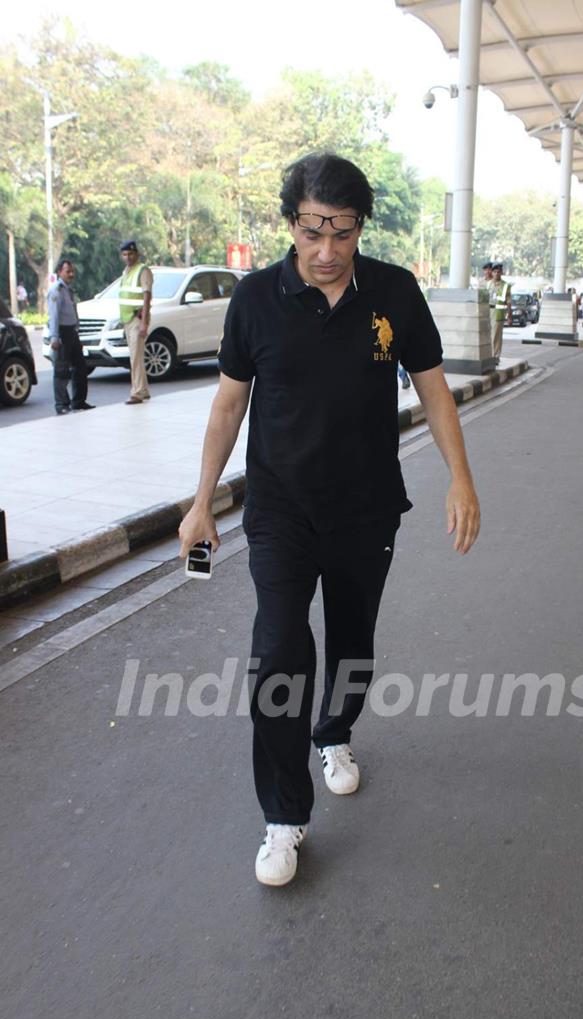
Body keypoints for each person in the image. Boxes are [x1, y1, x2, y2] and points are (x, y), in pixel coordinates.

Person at [178, 153, 480, 888]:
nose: (327, 250)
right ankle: (283, 816)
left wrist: (461, 480)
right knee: (278, 646)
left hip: (367, 506)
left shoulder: (396, 294)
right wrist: (201, 501)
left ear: (359, 231)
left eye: (343, 233)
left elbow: (436, 392)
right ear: (291, 225)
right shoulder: (255, 298)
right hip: (279, 509)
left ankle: (335, 733)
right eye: (313, 230)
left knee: (352, 645)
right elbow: (228, 404)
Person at [47, 258, 94, 414]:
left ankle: (78, 401)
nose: (71, 274)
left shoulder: (68, 289)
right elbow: (53, 316)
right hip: (62, 333)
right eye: (68, 271)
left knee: (80, 368)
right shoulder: (56, 290)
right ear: (60, 272)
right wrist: (54, 337)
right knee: (61, 371)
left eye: (72, 271)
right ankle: (61, 405)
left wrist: (77, 333)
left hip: (72, 333)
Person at [118, 239, 153, 404]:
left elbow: (147, 297)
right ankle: (143, 389)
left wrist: (144, 322)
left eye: (130, 254)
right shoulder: (126, 272)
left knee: (136, 358)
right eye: (124, 254)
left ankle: (137, 392)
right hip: (127, 319)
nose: (128, 257)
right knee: (135, 355)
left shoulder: (142, 270)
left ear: (136, 254)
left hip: (137, 319)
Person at [487, 262, 511, 361]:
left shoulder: (506, 285)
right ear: (492, 273)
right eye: (494, 271)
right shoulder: (488, 284)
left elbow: (509, 301)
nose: (496, 273)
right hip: (488, 312)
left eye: (498, 272)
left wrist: (509, 316)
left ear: (501, 273)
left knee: (496, 337)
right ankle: (489, 355)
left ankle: (495, 357)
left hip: (498, 313)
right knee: (488, 336)